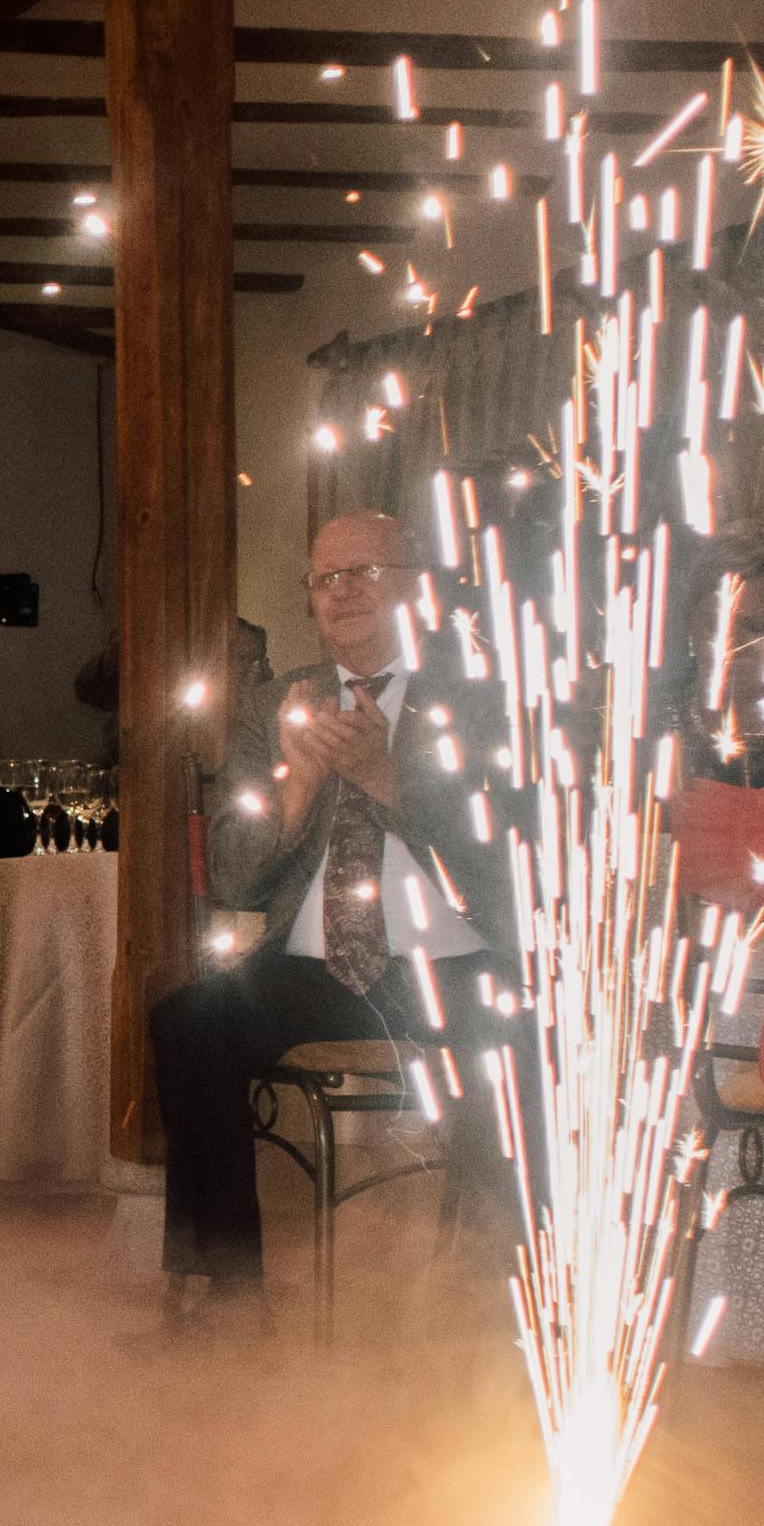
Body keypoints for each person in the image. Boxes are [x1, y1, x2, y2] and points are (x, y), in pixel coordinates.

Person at [148, 512, 520, 1320]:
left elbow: (507, 866)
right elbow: (237, 879)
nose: (344, 590)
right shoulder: (272, 704)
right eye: (326, 577)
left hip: (452, 963)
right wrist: (295, 793)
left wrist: (392, 781)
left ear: (415, 584)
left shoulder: (481, 696)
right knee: (189, 1020)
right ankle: (226, 1290)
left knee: (530, 1039)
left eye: (366, 571)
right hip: (316, 961)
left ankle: (514, 1289)